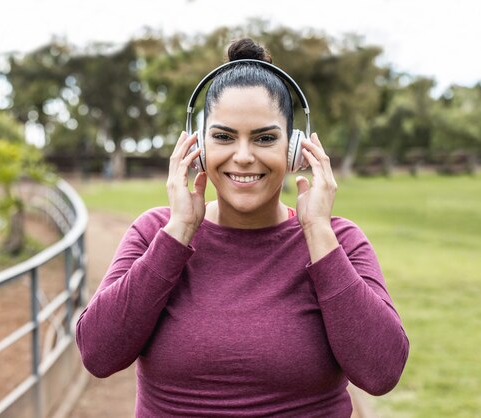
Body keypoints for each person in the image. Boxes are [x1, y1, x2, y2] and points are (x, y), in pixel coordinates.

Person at [76, 38, 409, 417]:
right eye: (223, 136)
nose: (245, 156)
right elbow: (98, 355)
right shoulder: (155, 232)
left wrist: (316, 230)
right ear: (197, 145)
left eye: (266, 138)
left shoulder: (339, 241)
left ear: (295, 150)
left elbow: (381, 373)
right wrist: (180, 230)